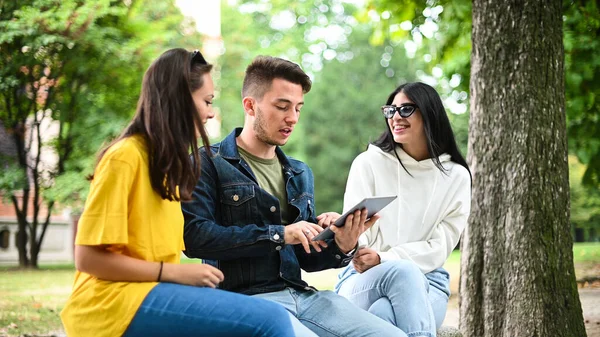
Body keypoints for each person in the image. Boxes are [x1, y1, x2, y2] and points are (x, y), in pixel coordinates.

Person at [60, 48, 295, 337]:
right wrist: (173, 273)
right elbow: (88, 259)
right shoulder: (125, 157)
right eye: (207, 101)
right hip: (111, 304)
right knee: (271, 320)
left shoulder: (168, 165)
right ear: (180, 99)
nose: (211, 113)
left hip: (151, 294)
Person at [181, 56, 405, 337]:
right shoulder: (207, 163)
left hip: (305, 298)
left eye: (298, 108)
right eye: (282, 106)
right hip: (246, 301)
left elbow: (308, 260)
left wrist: (341, 245)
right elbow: (196, 238)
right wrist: (280, 234)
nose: (293, 118)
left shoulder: (299, 172)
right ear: (250, 106)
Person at [334, 82, 472, 336]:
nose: (396, 117)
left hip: (428, 281)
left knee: (383, 315)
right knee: (402, 272)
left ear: (430, 113)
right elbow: (358, 234)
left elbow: (440, 247)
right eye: (390, 110)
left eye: (406, 109)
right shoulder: (369, 163)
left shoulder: (457, 177)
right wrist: (355, 244)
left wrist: (386, 257)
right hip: (362, 279)